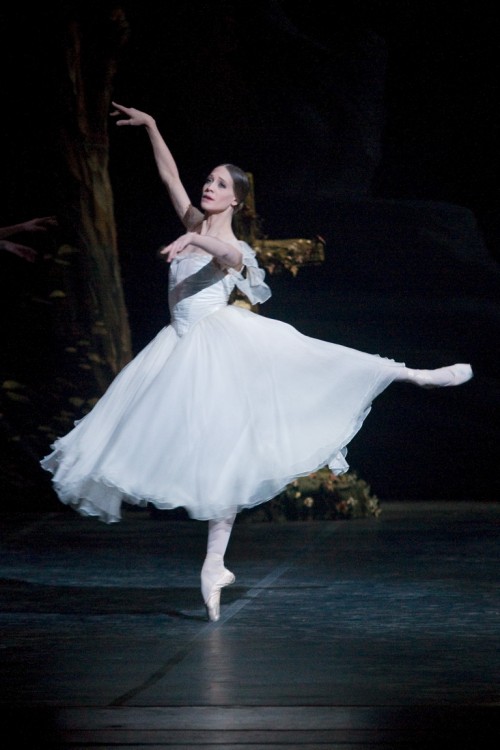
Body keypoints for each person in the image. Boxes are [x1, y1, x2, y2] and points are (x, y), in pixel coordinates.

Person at [40, 102, 473, 622]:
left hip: (223, 344)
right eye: (209, 181)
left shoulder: (235, 244)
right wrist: (154, 126)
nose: (208, 188)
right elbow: (168, 174)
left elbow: (224, 259)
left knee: (320, 361)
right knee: (216, 458)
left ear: (237, 198)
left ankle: (412, 374)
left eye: (220, 184)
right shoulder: (193, 219)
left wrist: (193, 237)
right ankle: (213, 565)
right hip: (177, 349)